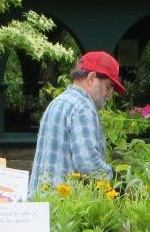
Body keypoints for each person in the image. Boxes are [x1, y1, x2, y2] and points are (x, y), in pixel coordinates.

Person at [28, 51, 125, 193]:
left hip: (41, 202)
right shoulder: (83, 107)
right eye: (108, 87)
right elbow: (87, 164)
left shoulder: (57, 102)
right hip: (66, 206)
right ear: (92, 78)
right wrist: (116, 182)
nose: (109, 95)